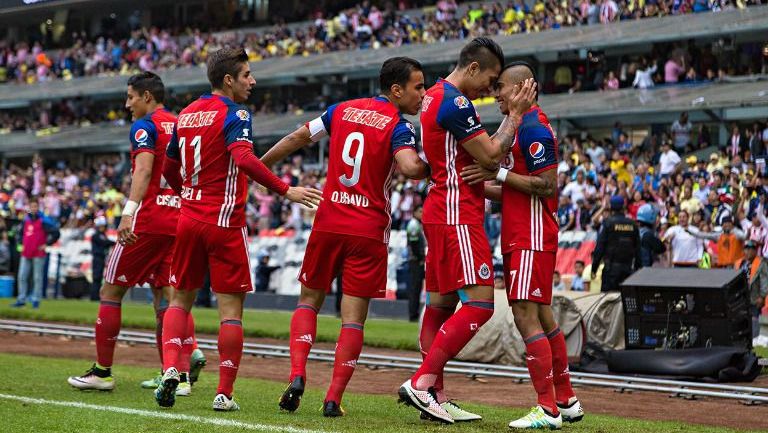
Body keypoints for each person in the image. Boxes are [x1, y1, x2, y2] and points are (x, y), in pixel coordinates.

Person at [260, 57, 431, 417]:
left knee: (308, 302)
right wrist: (444, 162)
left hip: (328, 220)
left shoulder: (340, 111)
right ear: (396, 90)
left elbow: (296, 137)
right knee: (352, 320)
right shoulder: (399, 126)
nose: (424, 94)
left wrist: (260, 168)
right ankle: (333, 399)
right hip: (367, 231)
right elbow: (411, 168)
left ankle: (296, 375)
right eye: (419, 86)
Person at [156, 47, 322, 411]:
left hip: (187, 219)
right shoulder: (236, 113)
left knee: (179, 300)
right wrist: (285, 189)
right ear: (229, 80)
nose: (253, 81)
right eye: (247, 74)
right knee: (230, 312)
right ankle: (224, 393)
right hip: (224, 222)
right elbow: (244, 158)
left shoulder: (185, 114)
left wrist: (186, 190)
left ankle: (170, 368)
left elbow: (168, 166)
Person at [398, 37, 536, 425]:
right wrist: (517, 115)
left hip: (441, 208)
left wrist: (486, 172)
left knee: (439, 307)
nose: (489, 91)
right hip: (458, 215)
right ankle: (423, 383)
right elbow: (491, 154)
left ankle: (434, 396)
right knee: (480, 303)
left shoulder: (433, 97)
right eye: (489, 80)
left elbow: (473, 161)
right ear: (473, 68)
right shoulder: (456, 102)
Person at [68, 72, 207, 394]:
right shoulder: (183, 123)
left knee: (110, 290)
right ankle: (179, 374)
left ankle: (102, 372)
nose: (127, 104)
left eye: (130, 97)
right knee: (170, 298)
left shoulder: (145, 126)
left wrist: (128, 213)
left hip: (149, 220)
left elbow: (144, 169)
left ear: (147, 96)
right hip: (180, 218)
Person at [462, 62, 582, 430]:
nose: (495, 93)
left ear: (520, 89)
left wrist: (495, 173)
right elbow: (518, 186)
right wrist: (474, 186)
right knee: (543, 316)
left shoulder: (533, 128)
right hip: (525, 234)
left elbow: (546, 186)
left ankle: (546, 410)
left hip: (529, 237)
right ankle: (566, 400)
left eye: (500, 87)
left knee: (524, 315)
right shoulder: (523, 127)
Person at [11, 200, 56, 308]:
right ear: (29, 208)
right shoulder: (25, 220)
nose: (34, 208)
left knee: (37, 278)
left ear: (38, 207)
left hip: (38, 253)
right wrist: (20, 245)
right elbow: (19, 234)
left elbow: (56, 232)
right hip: (26, 253)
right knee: (22, 276)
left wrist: (47, 244)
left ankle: (36, 300)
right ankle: (21, 299)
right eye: (32, 206)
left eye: (35, 206)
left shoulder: (44, 220)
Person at [591, 196, 641, 291]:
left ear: (610, 207)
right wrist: (638, 269)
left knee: (607, 302)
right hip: (628, 270)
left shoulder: (608, 223)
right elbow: (638, 250)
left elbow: (599, 248)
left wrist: (594, 268)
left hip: (611, 271)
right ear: (623, 207)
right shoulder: (633, 224)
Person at [734, 240, 768, 338]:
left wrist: (762, 296)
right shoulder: (739, 263)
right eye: (746, 249)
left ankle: (755, 338)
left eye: (751, 249)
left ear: (755, 251)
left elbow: (764, 280)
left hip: (754, 296)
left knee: (754, 318)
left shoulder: (761, 263)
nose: (748, 251)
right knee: (741, 318)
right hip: (740, 297)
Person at [407, 205, 426, 322]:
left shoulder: (417, 224)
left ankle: (414, 313)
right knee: (415, 287)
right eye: (420, 211)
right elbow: (414, 245)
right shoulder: (413, 225)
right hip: (415, 261)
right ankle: (413, 314)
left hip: (416, 260)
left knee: (417, 287)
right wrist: (420, 258)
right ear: (414, 213)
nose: (422, 214)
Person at [89, 216, 114, 301]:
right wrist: (113, 242)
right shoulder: (96, 235)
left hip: (101, 258)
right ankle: (94, 296)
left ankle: (96, 296)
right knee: (96, 277)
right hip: (97, 258)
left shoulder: (102, 235)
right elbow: (104, 242)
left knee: (99, 277)